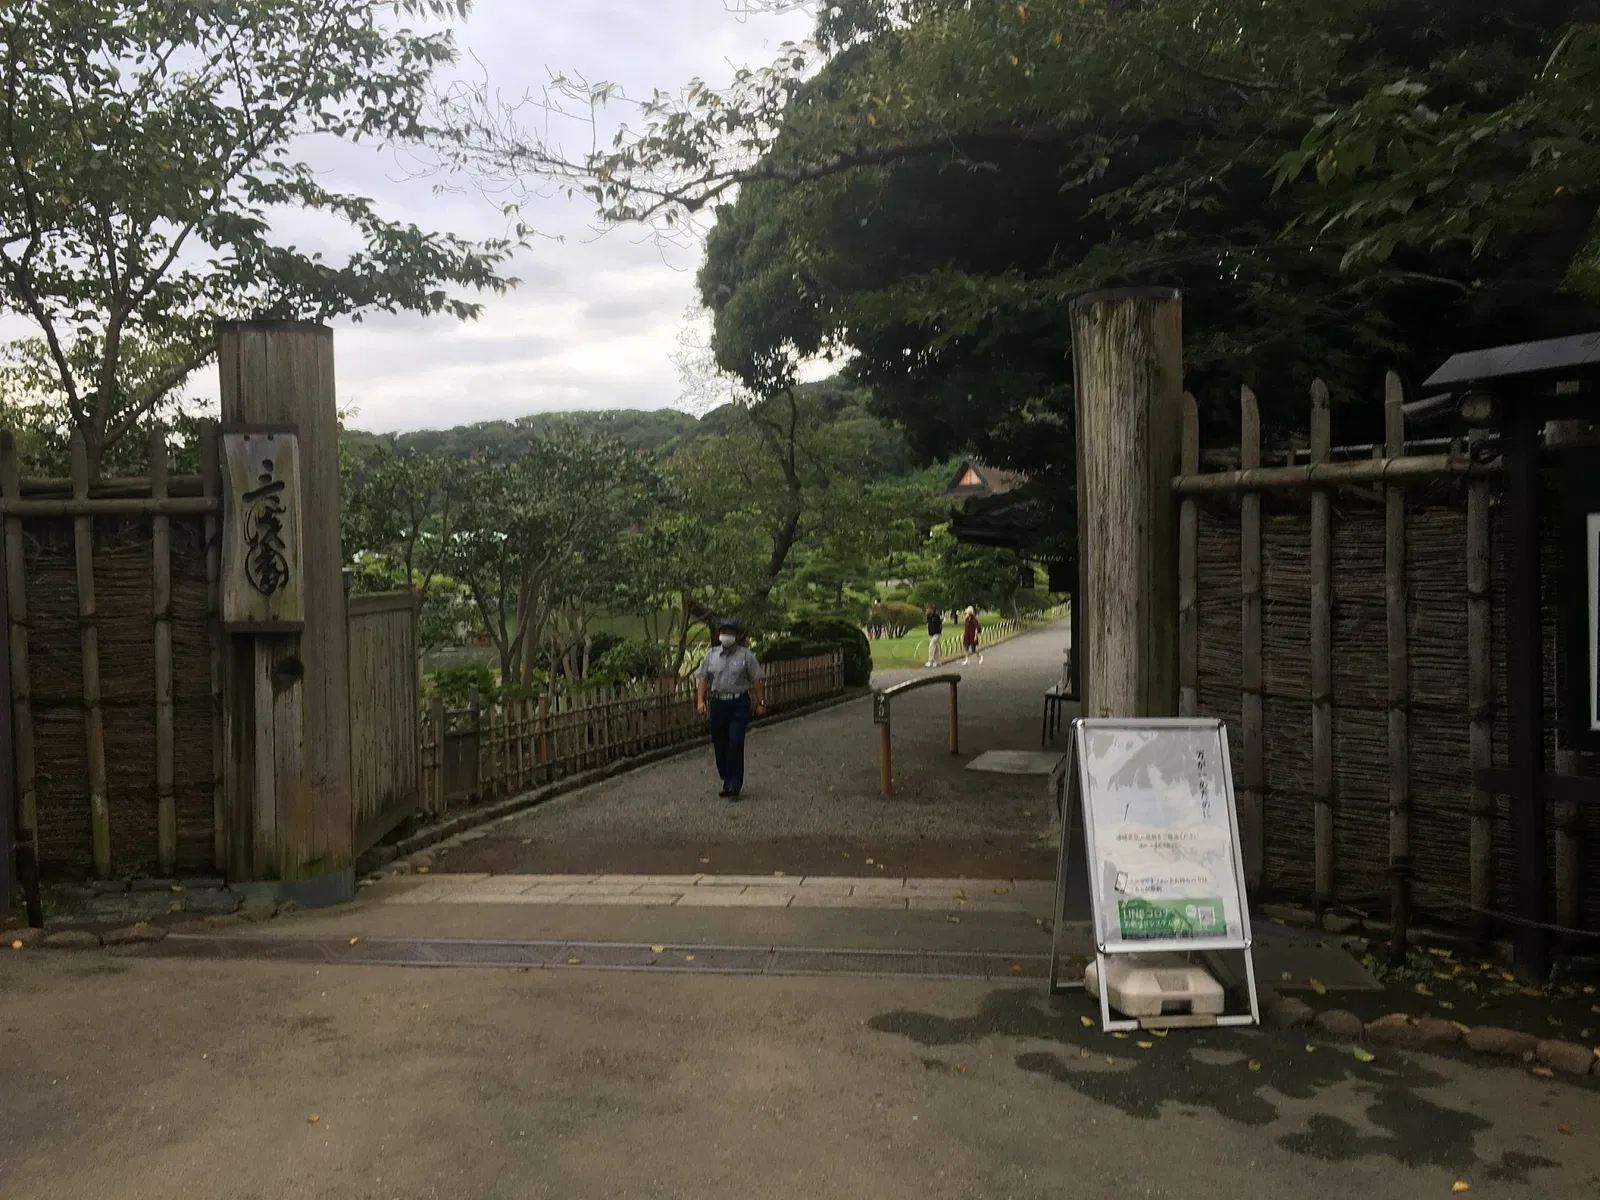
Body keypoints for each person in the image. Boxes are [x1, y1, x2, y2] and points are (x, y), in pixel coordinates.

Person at [694, 617, 766, 800]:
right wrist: (700, 701)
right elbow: (702, 678)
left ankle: (735, 783)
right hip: (718, 703)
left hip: (738, 703)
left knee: (735, 741)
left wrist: (761, 702)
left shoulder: (745, 656)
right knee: (720, 744)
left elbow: (757, 678)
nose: (726, 636)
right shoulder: (711, 655)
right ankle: (726, 778)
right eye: (724, 632)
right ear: (719, 634)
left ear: (736, 635)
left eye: (730, 633)